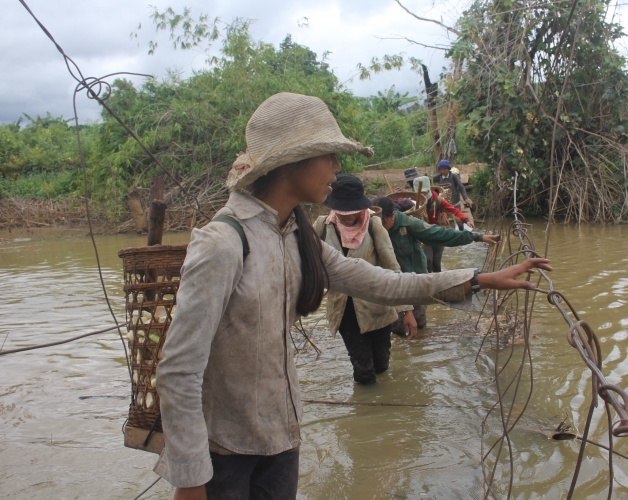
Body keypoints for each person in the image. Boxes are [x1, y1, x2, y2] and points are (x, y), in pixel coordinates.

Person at [154, 92, 552, 500]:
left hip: (282, 440)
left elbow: (382, 282)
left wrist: (478, 278)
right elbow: (178, 370)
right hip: (225, 454)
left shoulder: (296, 235)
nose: (336, 167)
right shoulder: (223, 243)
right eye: (328, 155)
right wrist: (190, 480)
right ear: (293, 161)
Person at [313, 173, 418, 384]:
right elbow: (310, 264)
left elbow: (392, 268)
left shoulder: (374, 226)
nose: (347, 217)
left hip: (377, 306)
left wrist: (407, 310)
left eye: (351, 212)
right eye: (342, 212)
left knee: (381, 364)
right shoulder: (322, 227)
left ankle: (380, 410)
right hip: (344, 310)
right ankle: (368, 405)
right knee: (363, 369)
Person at [372, 195, 501, 335]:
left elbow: (441, 234)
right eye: (377, 223)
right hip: (390, 283)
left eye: (383, 223)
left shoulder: (409, 224)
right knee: (395, 327)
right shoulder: (373, 227)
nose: (380, 227)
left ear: (393, 215)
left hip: (415, 281)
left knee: (419, 323)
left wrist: (477, 237)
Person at [412, 175, 474, 273]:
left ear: (428, 190)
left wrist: (466, 220)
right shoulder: (413, 202)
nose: (423, 195)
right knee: (428, 260)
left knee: (436, 263)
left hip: (438, 232)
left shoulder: (437, 200)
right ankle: (428, 282)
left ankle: (439, 283)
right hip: (424, 234)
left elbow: (453, 210)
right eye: (421, 193)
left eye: (425, 192)